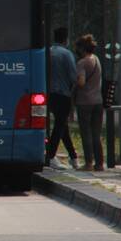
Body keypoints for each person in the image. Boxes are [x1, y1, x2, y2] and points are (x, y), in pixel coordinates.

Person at [46, 27, 78, 167]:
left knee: (62, 125)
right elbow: (73, 76)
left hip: (49, 94)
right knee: (60, 125)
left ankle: (73, 157)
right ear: (66, 39)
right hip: (63, 94)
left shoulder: (48, 52)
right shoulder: (66, 54)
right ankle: (50, 155)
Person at [74, 33, 104, 171]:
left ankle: (88, 163)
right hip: (98, 101)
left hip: (85, 102)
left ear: (82, 48)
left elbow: (81, 82)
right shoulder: (96, 59)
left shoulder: (82, 62)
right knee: (96, 134)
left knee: (86, 133)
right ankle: (100, 163)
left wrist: (73, 81)